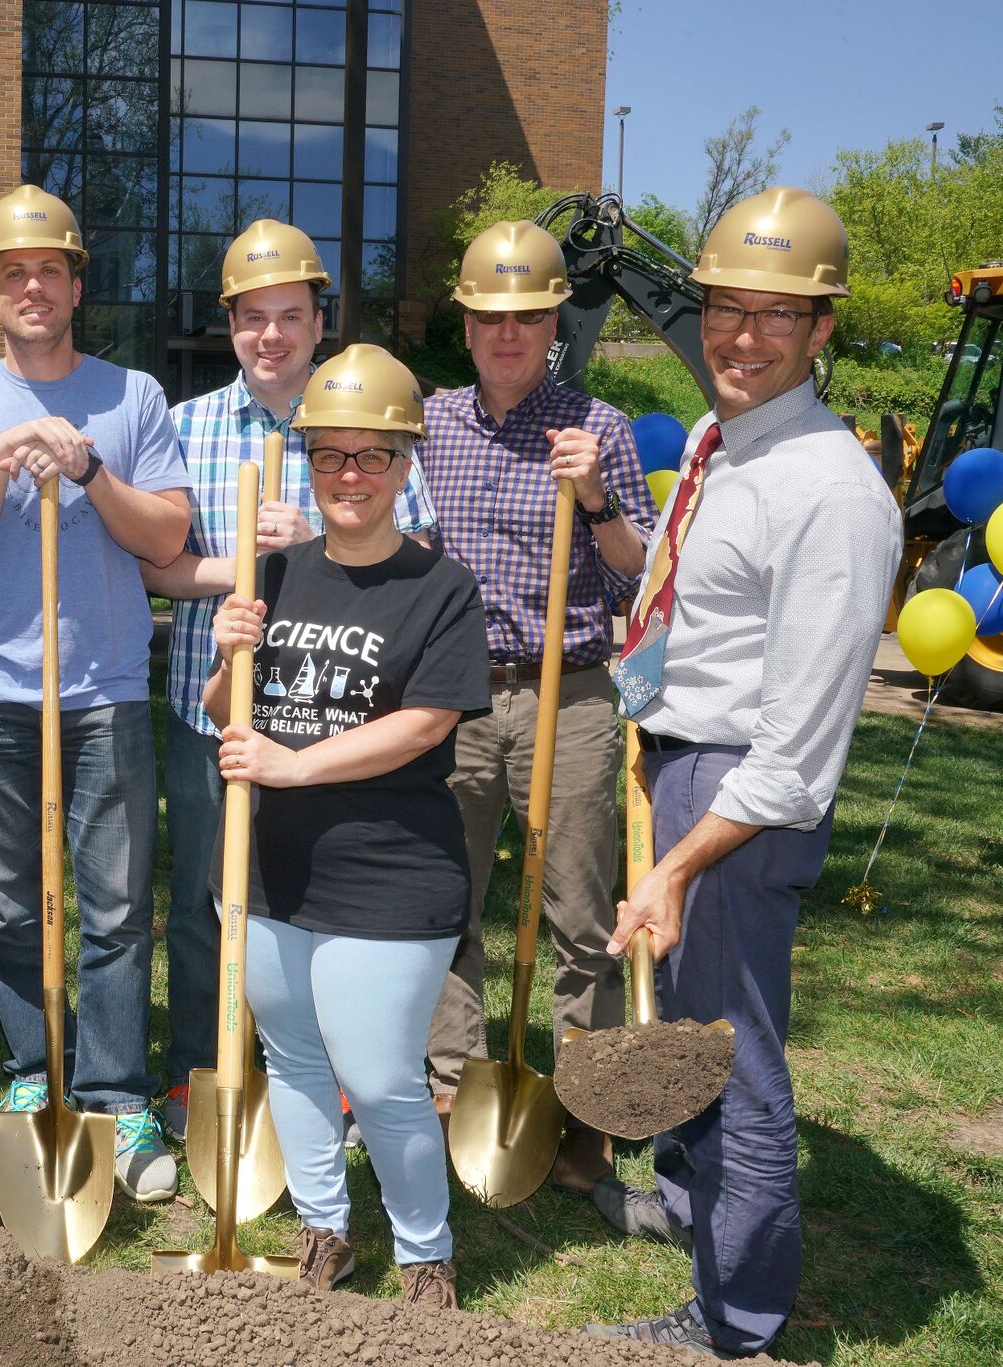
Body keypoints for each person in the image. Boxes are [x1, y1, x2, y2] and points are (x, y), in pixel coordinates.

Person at [586, 188, 902, 1358]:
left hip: (737, 804)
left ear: (822, 331)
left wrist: (674, 861)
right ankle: (694, 1221)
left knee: (730, 1061)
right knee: (685, 1033)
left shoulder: (830, 491)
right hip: (682, 764)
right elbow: (689, 608)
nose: (743, 337)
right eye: (726, 306)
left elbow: (798, 755)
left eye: (777, 316)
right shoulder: (724, 441)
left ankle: (736, 1322)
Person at [0, 185, 191, 1202]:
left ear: (77, 283)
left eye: (49, 270)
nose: (32, 287)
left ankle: (115, 1101)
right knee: (16, 909)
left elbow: (164, 539)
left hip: (104, 691)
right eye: (11, 273)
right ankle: (36, 1079)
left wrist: (89, 469)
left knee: (115, 908)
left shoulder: (132, 397)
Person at [143, 219, 437, 1141]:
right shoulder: (186, 427)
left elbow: (419, 553)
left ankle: (328, 1079)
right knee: (206, 901)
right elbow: (159, 567)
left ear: (319, 323)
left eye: (290, 316)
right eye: (252, 318)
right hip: (218, 712)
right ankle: (204, 1066)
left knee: (320, 900)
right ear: (229, 325)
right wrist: (238, 567)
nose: (270, 336)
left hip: (330, 720)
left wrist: (311, 547)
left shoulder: (366, 422)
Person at [208, 343, 489, 1306]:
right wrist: (222, 654)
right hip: (270, 864)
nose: (351, 476)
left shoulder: (440, 588)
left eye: (373, 457)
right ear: (310, 463)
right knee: (292, 1055)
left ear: (406, 464)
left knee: (376, 1075)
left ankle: (425, 1251)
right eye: (331, 457)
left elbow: (427, 723)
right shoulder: (274, 574)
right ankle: (326, 1229)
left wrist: (296, 764)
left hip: (390, 868)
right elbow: (227, 712)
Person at [422, 219, 655, 1192]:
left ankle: (587, 1114)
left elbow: (639, 571)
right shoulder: (429, 421)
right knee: (445, 900)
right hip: (457, 694)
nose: (506, 333)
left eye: (525, 316)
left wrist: (595, 499)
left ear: (553, 321)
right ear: (466, 326)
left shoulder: (594, 426)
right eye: (489, 317)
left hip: (572, 693)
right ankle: (450, 1086)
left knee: (574, 909)